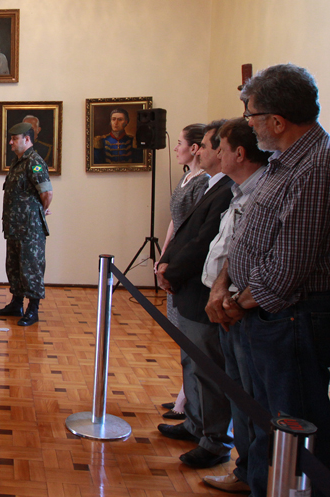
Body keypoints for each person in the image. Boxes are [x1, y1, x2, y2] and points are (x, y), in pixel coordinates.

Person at [208, 63, 330, 497]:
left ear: (277, 121)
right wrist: (223, 284)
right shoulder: (283, 162)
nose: (249, 124)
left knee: (288, 432)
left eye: (251, 115)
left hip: (288, 322)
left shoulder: (316, 166)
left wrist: (235, 303)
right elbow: (244, 234)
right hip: (257, 315)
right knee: (263, 423)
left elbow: (287, 269)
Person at [156, 120, 235, 469]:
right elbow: (187, 231)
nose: (197, 150)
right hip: (188, 287)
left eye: (203, 145)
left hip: (201, 290)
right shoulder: (211, 186)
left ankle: (214, 440)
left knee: (207, 369)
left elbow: (203, 242)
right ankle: (194, 423)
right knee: (192, 360)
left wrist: (171, 269)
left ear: (222, 151)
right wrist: (167, 263)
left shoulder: (224, 190)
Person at [199, 118, 269, 494]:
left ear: (239, 154)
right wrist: (219, 288)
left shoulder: (263, 192)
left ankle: (255, 476)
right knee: (238, 394)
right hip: (226, 304)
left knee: (252, 400)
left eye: (221, 148)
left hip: (245, 310)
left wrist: (232, 298)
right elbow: (233, 252)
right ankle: (245, 471)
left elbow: (275, 260)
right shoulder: (241, 192)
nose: (216, 154)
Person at [155, 123, 209, 420]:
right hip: (175, 258)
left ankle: (187, 403)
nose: (175, 148)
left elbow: (195, 230)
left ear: (195, 148)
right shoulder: (188, 177)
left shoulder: (205, 182)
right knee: (182, 336)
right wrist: (164, 254)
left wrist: (173, 261)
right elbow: (175, 222)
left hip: (188, 267)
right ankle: (186, 394)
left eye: (180, 143)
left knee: (193, 340)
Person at [0, 122, 53, 326]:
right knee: (15, 267)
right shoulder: (18, 162)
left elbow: (47, 192)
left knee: (31, 268)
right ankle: (16, 304)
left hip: (30, 228)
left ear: (27, 139)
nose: (10, 142)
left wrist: (41, 211)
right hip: (14, 227)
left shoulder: (34, 162)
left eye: (14, 138)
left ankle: (33, 309)